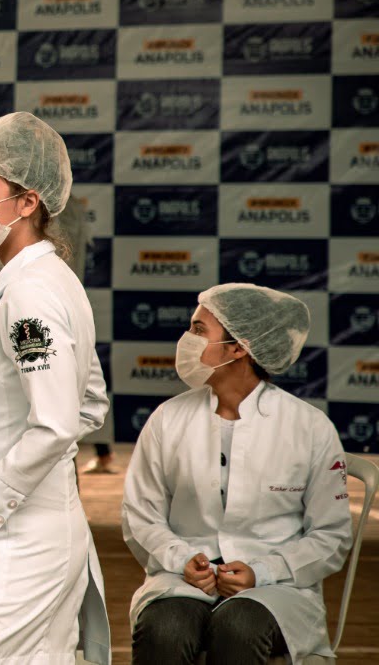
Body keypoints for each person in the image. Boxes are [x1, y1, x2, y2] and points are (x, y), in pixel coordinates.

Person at [0, 112, 111, 665]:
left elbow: (58, 422)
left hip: (18, 539)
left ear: (28, 202)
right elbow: (90, 402)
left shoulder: (32, 292)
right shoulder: (47, 279)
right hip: (36, 525)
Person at [122, 284, 352, 665]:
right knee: (165, 628)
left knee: (239, 626)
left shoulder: (309, 427)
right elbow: (140, 515)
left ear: (239, 348)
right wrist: (181, 559)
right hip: (182, 582)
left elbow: (332, 535)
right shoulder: (168, 419)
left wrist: (262, 571)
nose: (187, 339)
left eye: (199, 330)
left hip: (277, 590)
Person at [54, 197, 118, 477]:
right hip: (63, 303)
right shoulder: (65, 206)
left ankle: (96, 453)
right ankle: (101, 452)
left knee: (67, 390)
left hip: (57, 306)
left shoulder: (56, 208)